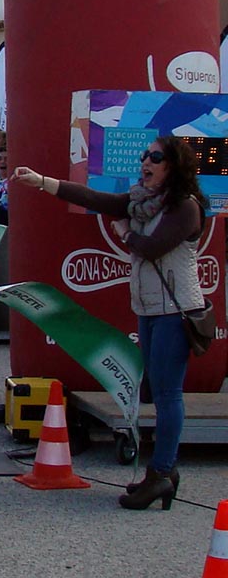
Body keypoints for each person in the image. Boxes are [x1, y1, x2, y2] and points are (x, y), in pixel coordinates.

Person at [11, 138, 206, 511]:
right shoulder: (141, 202)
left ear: (174, 166)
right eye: (144, 156)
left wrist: (124, 233)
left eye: (155, 157)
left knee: (168, 395)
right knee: (156, 392)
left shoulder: (185, 208)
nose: (145, 162)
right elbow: (95, 198)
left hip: (176, 313)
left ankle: (162, 473)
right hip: (150, 310)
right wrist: (41, 181)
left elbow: (150, 248)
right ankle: (162, 472)